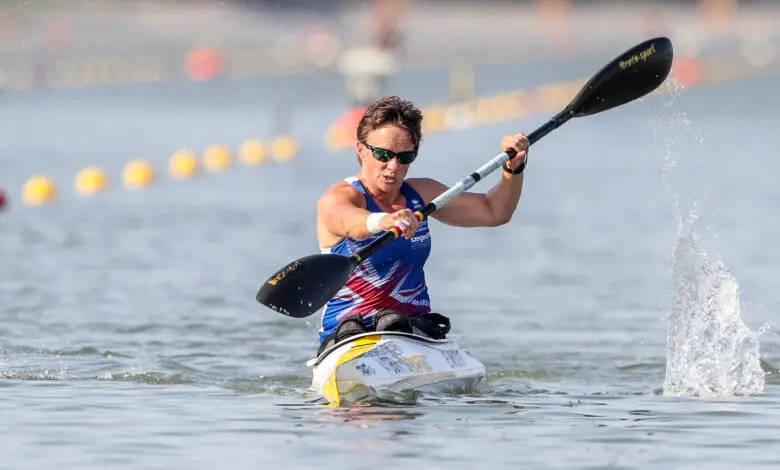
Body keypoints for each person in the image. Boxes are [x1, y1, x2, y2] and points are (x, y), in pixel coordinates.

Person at [315, 95, 529, 355]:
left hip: (411, 332)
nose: (393, 167)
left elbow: (494, 211)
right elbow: (348, 221)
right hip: (347, 336)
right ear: (360, 149)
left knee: (394, 322)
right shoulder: (339, 197)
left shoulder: (423, 194)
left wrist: (513, 169)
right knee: (360, 327)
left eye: (405, 157)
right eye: (383, 154)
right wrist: (385, 221)